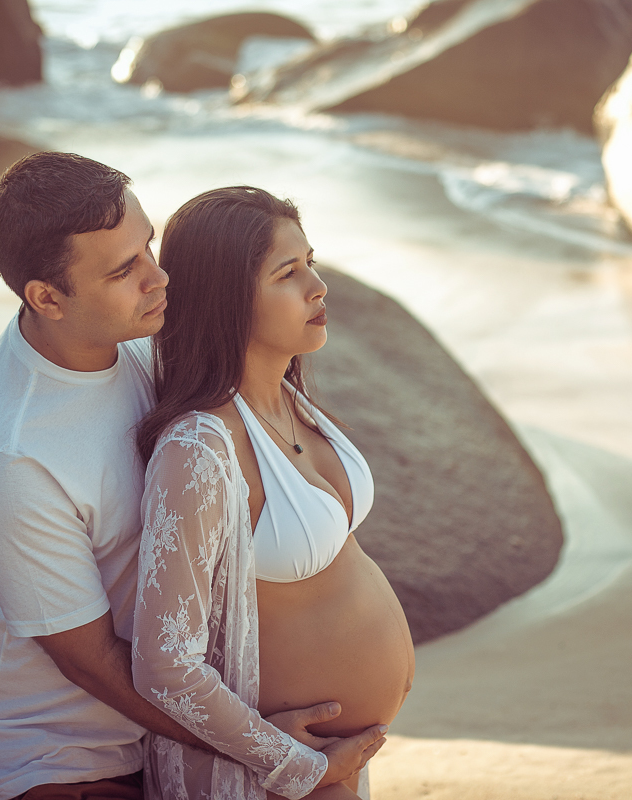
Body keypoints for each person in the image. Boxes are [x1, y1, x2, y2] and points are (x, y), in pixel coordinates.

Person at [0, 154, 382, 800]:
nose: (158, 277)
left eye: (147, 246)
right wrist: (270, 750)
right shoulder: (8, 455)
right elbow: (91, 661)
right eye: (124, 270)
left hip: (162, 722)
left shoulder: (140, 343)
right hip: (57, 757)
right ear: (47, 297)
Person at [132, 187, 416, 800]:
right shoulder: (198, 449)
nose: (317, 286)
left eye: (310, 262)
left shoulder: (287, 396)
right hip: (274, 777)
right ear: (224, 298)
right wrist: (294, 764)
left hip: (329, 767)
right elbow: (164, 665)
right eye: (288, 273)